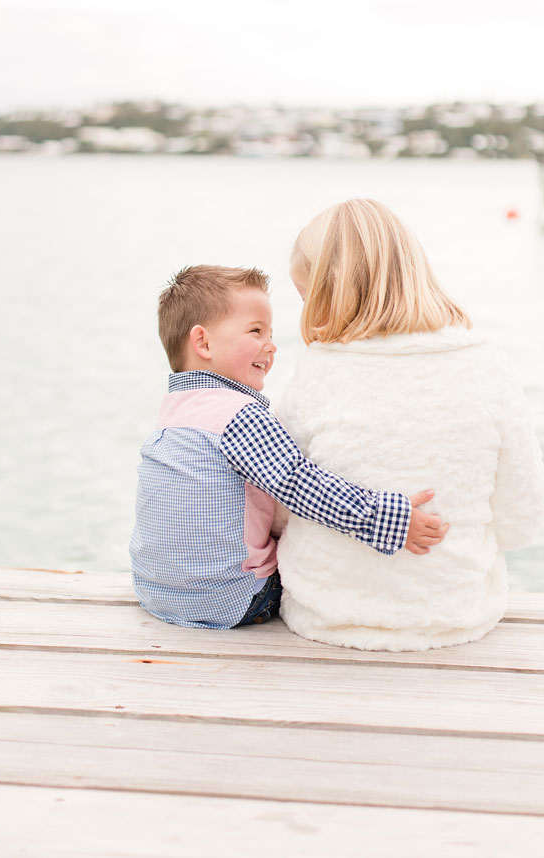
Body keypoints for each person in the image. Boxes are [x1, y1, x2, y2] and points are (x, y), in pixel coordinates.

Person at [277, 199, 544, 651]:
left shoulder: (315, 372)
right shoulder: (486, 366)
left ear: (329, 294)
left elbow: (280, 504)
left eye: (308, 299)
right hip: (455, 617)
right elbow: (523, 520)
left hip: (325, 618)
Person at [129, 264, 447, 630]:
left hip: (155, 590)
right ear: (203, 343)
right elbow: (299, 483)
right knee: (318, 552)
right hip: (228, 598)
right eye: (256, 331)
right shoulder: (240, 415)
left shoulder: (172, 413)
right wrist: (389, 518)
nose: (272, 345)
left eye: (270, 333)